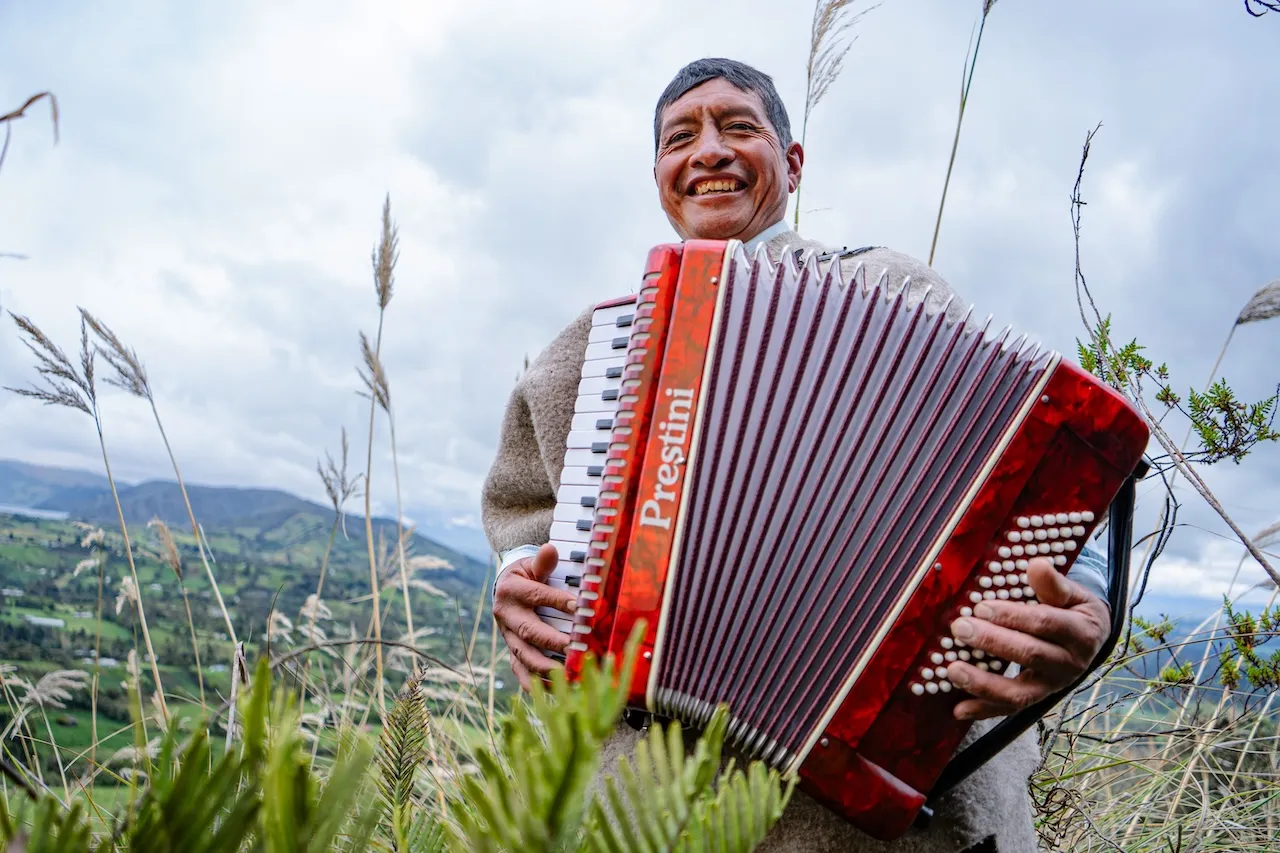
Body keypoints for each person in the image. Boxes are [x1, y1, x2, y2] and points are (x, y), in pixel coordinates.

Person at [481, 57, 1113, 853]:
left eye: (738, 126)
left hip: (888, 806)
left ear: (793, 161)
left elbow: (1027, 471)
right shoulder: (593, 349)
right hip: (653, 804)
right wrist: (520, 575)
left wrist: (1083, 593)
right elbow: (524, 510)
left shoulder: (894, 290)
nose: (708, 149)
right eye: (682, 136)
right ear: (659, 176)